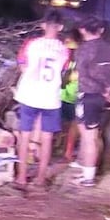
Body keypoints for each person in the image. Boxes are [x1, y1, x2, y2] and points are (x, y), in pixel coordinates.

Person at [13, 10, 70, 189]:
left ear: (43, 25)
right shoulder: (65, 49)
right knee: (47, 138)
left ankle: (21, 177)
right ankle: (40, 178)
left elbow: (22, 66)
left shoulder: (31, 44)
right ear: (60, 27)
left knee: (25, 136)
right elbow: (63, 72)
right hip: (50, 98)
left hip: (29, 95)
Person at [74, 16, 110, 187]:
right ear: (101, 30)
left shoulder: (83, 50)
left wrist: (101, 89)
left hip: (90, 96)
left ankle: (88, 177)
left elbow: (84, 76)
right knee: (97, 135)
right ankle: (89, 171)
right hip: (109, 100)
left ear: (82, 30)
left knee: (88, 137)